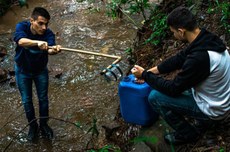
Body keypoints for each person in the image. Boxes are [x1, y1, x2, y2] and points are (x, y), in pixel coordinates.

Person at [131, 6, 230, 145]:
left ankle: (188, 134)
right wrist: (147, 72)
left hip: (214, 109)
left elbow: (173, 89)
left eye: (173, 32)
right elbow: (178, 59)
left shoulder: (199, 58)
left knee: (155, 97)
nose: (173, 35)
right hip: (218, 97)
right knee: (173, 84)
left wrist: (146, 76)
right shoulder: (205, 38)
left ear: (181, 31)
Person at [14, 7, 61, 141]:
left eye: (46, 24)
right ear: (31, 21)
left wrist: (55, 49)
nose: (44, 27)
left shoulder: (48, 34)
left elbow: (50, 50)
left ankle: (44, 124)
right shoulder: (22, 26)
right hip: (22, 71)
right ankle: (32, 126)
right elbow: (20, 41)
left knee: (43, 99)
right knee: (27, 101)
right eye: (40, 23)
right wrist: (37, 42)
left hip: (40, 71)